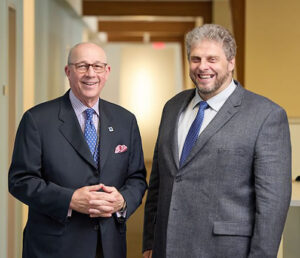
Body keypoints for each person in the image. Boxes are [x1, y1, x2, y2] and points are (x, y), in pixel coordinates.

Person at [143, 24, 291, 258]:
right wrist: (150, 242)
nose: (203, 67)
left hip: (226, 251)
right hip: (166, 247)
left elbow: (272, 204)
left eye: (212, 59)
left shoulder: (266, 115)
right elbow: (158, 183)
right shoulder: (172, 107)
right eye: (196, 59)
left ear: (231, 62)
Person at [8, 42, 147, 258]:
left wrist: (122, 200)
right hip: (55, 248)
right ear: (68, 71)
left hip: (109, 245)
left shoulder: (125, 120)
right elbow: (20, 180)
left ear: (107, 72)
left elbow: (137, 177)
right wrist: (70, 200)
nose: (90, 74)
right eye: (82, 66)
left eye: (97, 66)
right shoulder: (37, 119)